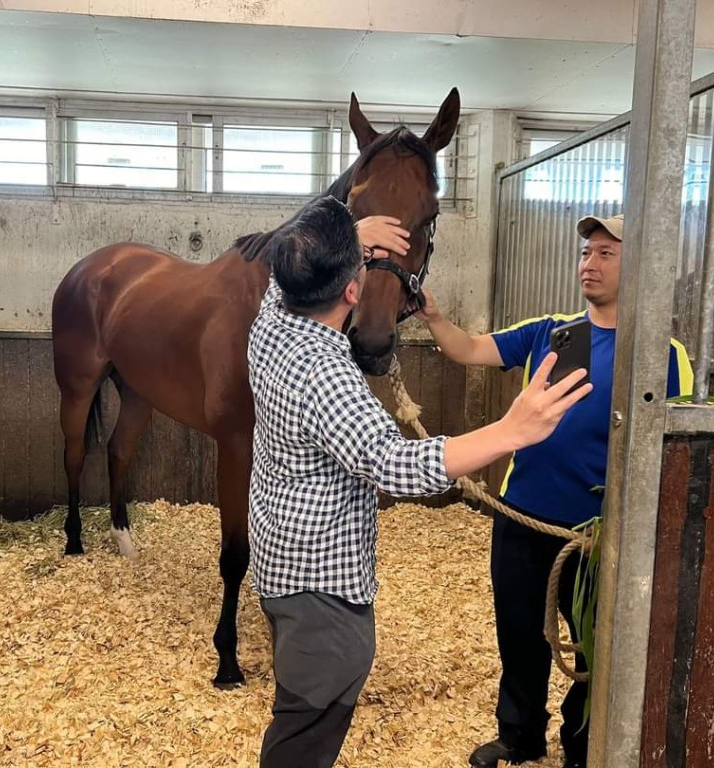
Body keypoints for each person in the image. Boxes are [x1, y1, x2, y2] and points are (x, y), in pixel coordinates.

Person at [247, 195, 593, 768]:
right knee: (309, 722)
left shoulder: (273, 327)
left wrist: (346, 234)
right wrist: (511, 429)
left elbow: (274, 276)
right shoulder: (325, 372)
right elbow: (393, 464)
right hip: (322, 590)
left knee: (300, 708)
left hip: (281, 563)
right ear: (353, 290)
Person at [418, 213, 693, 768]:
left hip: (595, 533)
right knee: (520, 632)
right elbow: (470, 349)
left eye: (606, 254)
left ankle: (580, 744)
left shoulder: (662, 355)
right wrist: (433, 317)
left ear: (639, 266)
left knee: (593, 645)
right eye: (586, 253)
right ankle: (518, 736)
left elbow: (673, 445)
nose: (589, 264)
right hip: (523, 516)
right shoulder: (552, 331)